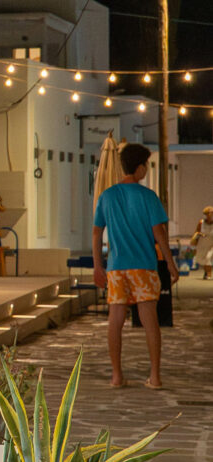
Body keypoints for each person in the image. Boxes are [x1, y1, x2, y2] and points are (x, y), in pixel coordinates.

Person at [93, 144, 172, 388]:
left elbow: (96, 232)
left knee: (115, 320)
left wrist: (98, 266)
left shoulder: (107, 196)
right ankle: (155, 376)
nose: (146, 169)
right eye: (146, 165)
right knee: (150, 321)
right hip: (144, 267)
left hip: (116, 267)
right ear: (139, 168)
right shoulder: (148, 196)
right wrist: (170, 263)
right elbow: (159, 232)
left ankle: (116, 376)